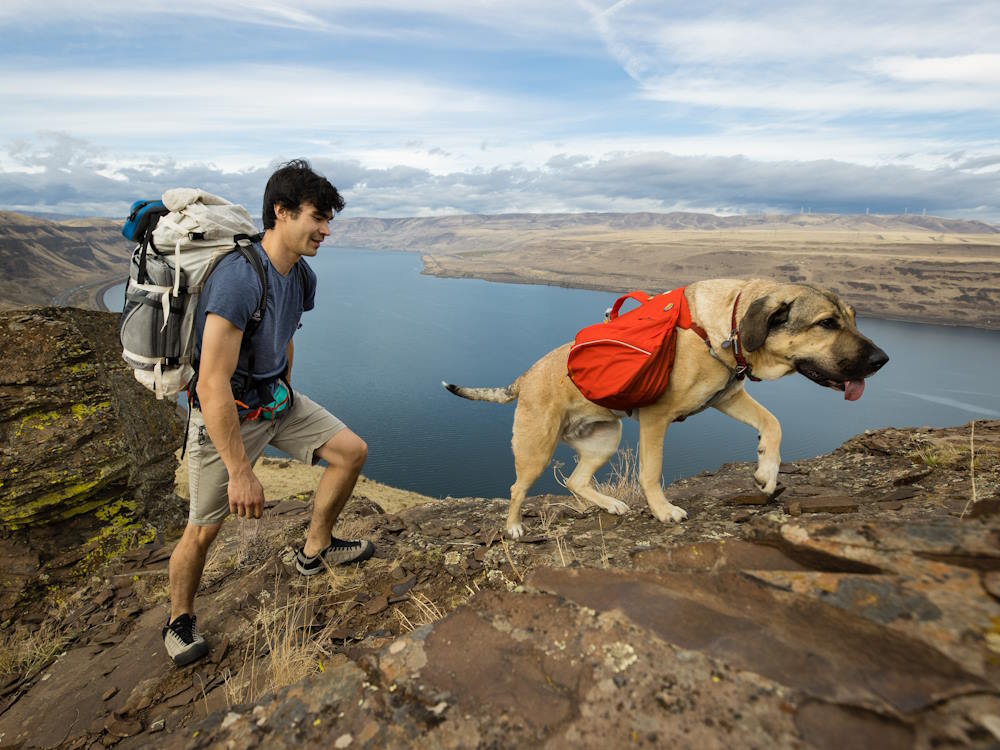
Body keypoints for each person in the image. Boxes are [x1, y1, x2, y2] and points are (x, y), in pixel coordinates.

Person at [162, 160, 373, 667]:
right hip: (228, 413)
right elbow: (211, 380)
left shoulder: (302, 276)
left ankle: (314, 549)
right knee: (204, 528)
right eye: (318, 218)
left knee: (350, 452)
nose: (326, 230)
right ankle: (178, 621)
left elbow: (286, 338)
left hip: (275, 399)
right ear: (281, 212)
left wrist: (287, 396)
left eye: (328, 220)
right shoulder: (239, 278)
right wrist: (241, 472)